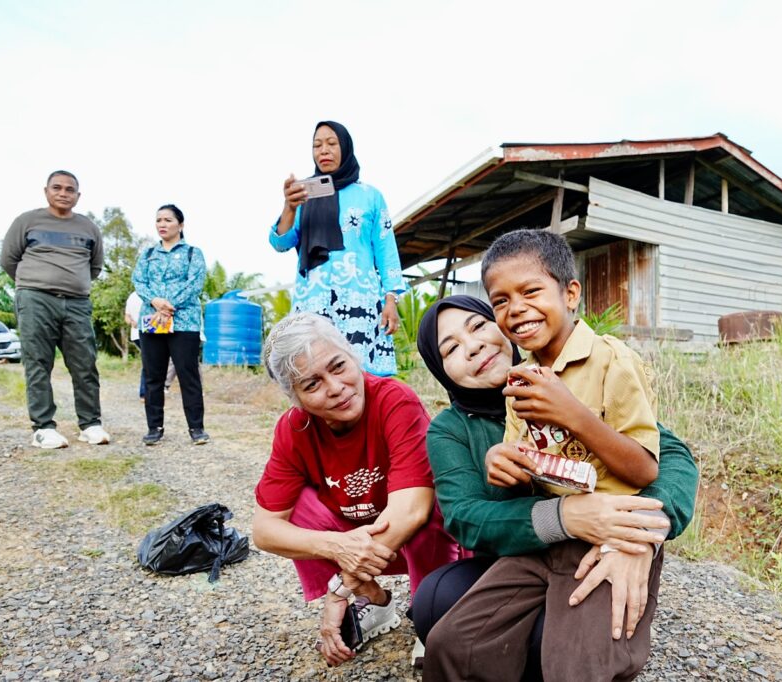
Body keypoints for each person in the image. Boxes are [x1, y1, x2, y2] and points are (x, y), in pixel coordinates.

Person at [416, 233, 695, 680]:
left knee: (574, 664)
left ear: (570, 294)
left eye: (476, 326)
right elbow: (469, 515)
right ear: (439, 368)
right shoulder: (469, 416)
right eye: (449, 348)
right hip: (539, 546)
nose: (471, 346)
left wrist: (644, 533)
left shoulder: (608, 362)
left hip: (607, 539)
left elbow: (657, 461)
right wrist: (503, 467)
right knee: (450, 640)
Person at [252, 313, 459, 668]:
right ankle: (373, 601)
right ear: (296, 399)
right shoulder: (294, 428)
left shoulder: (395, 400)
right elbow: (264, 530)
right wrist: (337, 546)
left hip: (411, 538)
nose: (335, 387)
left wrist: (338, 591)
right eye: (312, 384)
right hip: (361, 539)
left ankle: (434, 611)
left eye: (338, 366)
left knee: (431, 503)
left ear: (354, 355)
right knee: (296, 507)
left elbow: (411, 510)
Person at [268, 120, 405, 376]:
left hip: (358, 300)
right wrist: (289, 206)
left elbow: (387, 251)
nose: (324, 150)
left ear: (345, 148)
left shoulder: (370, 196)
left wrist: (391, 299)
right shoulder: (303, 195)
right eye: (317, 145)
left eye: (332, 144)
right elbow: (280, 242)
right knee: (315, 371)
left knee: (361, 373)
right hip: (313, 300)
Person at [0, 170, 110, 449]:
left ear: (78, 195)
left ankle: (90, 424)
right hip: (36, 299)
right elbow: (9, 260)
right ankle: (43, 428)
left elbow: (94, 267)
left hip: (76, 303)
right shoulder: (27, 222)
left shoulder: (88, 228)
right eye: (57, 188)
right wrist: (36, 282)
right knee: (38, 362)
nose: (63, 193)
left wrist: (73, 284)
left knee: (85, 363)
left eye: (69, 189)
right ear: (46, 191)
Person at [131, 204, 209, 446]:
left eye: (168, 220)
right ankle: (154, 427)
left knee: (188, 376)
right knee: (153, 376)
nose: (162, 224)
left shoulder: (192, 253)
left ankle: (196, 428)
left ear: (181, 225)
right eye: (158, 220)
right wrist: (155, 302)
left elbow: (195, 284)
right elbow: (138, 281)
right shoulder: (147, 254)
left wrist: (169, 304)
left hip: (184, 321)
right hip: (152, 320)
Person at [124, 290, 145, 401]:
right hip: (147, 333)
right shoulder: (150, 293)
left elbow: (126, 317)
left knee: (148, 361)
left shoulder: (131, 296)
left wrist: (132, 322)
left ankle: (145, 392)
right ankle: (145, 393)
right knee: (150, 363)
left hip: (136, 335)